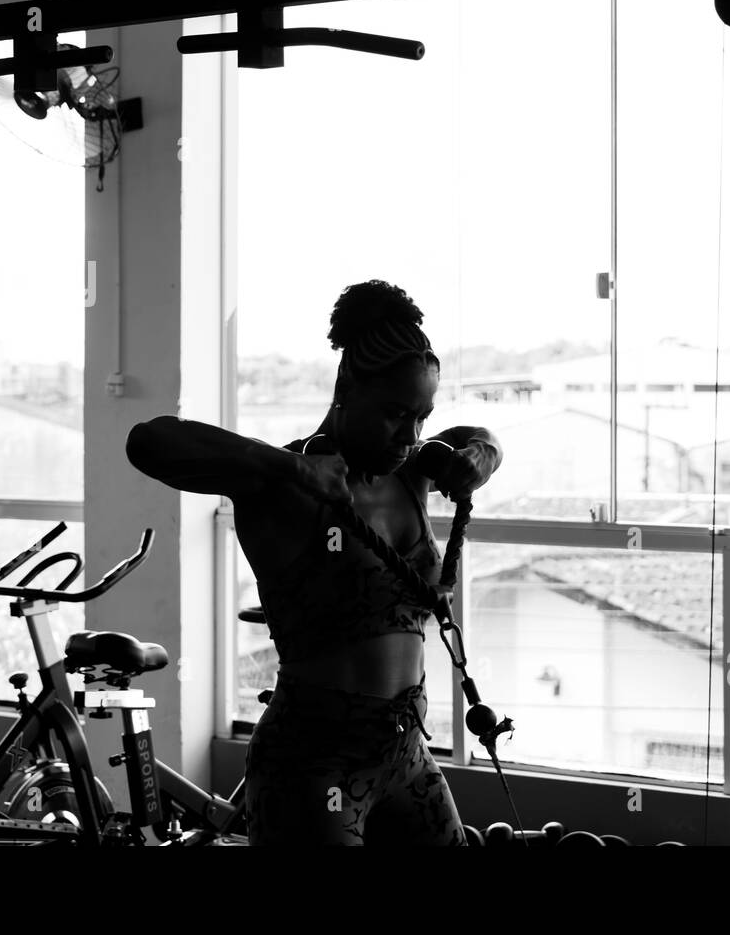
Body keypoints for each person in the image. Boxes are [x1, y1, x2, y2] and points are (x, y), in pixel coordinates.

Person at [125, 280, 503, 846]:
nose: (411, 434)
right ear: (347, 385)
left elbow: (480, 437)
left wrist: (481, 454)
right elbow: (149, 441)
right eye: (395, 413)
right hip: (314, 764)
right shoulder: (283, 482)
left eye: (421, 416)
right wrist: (291, 470)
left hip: (406, 754)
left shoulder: (412, 473)